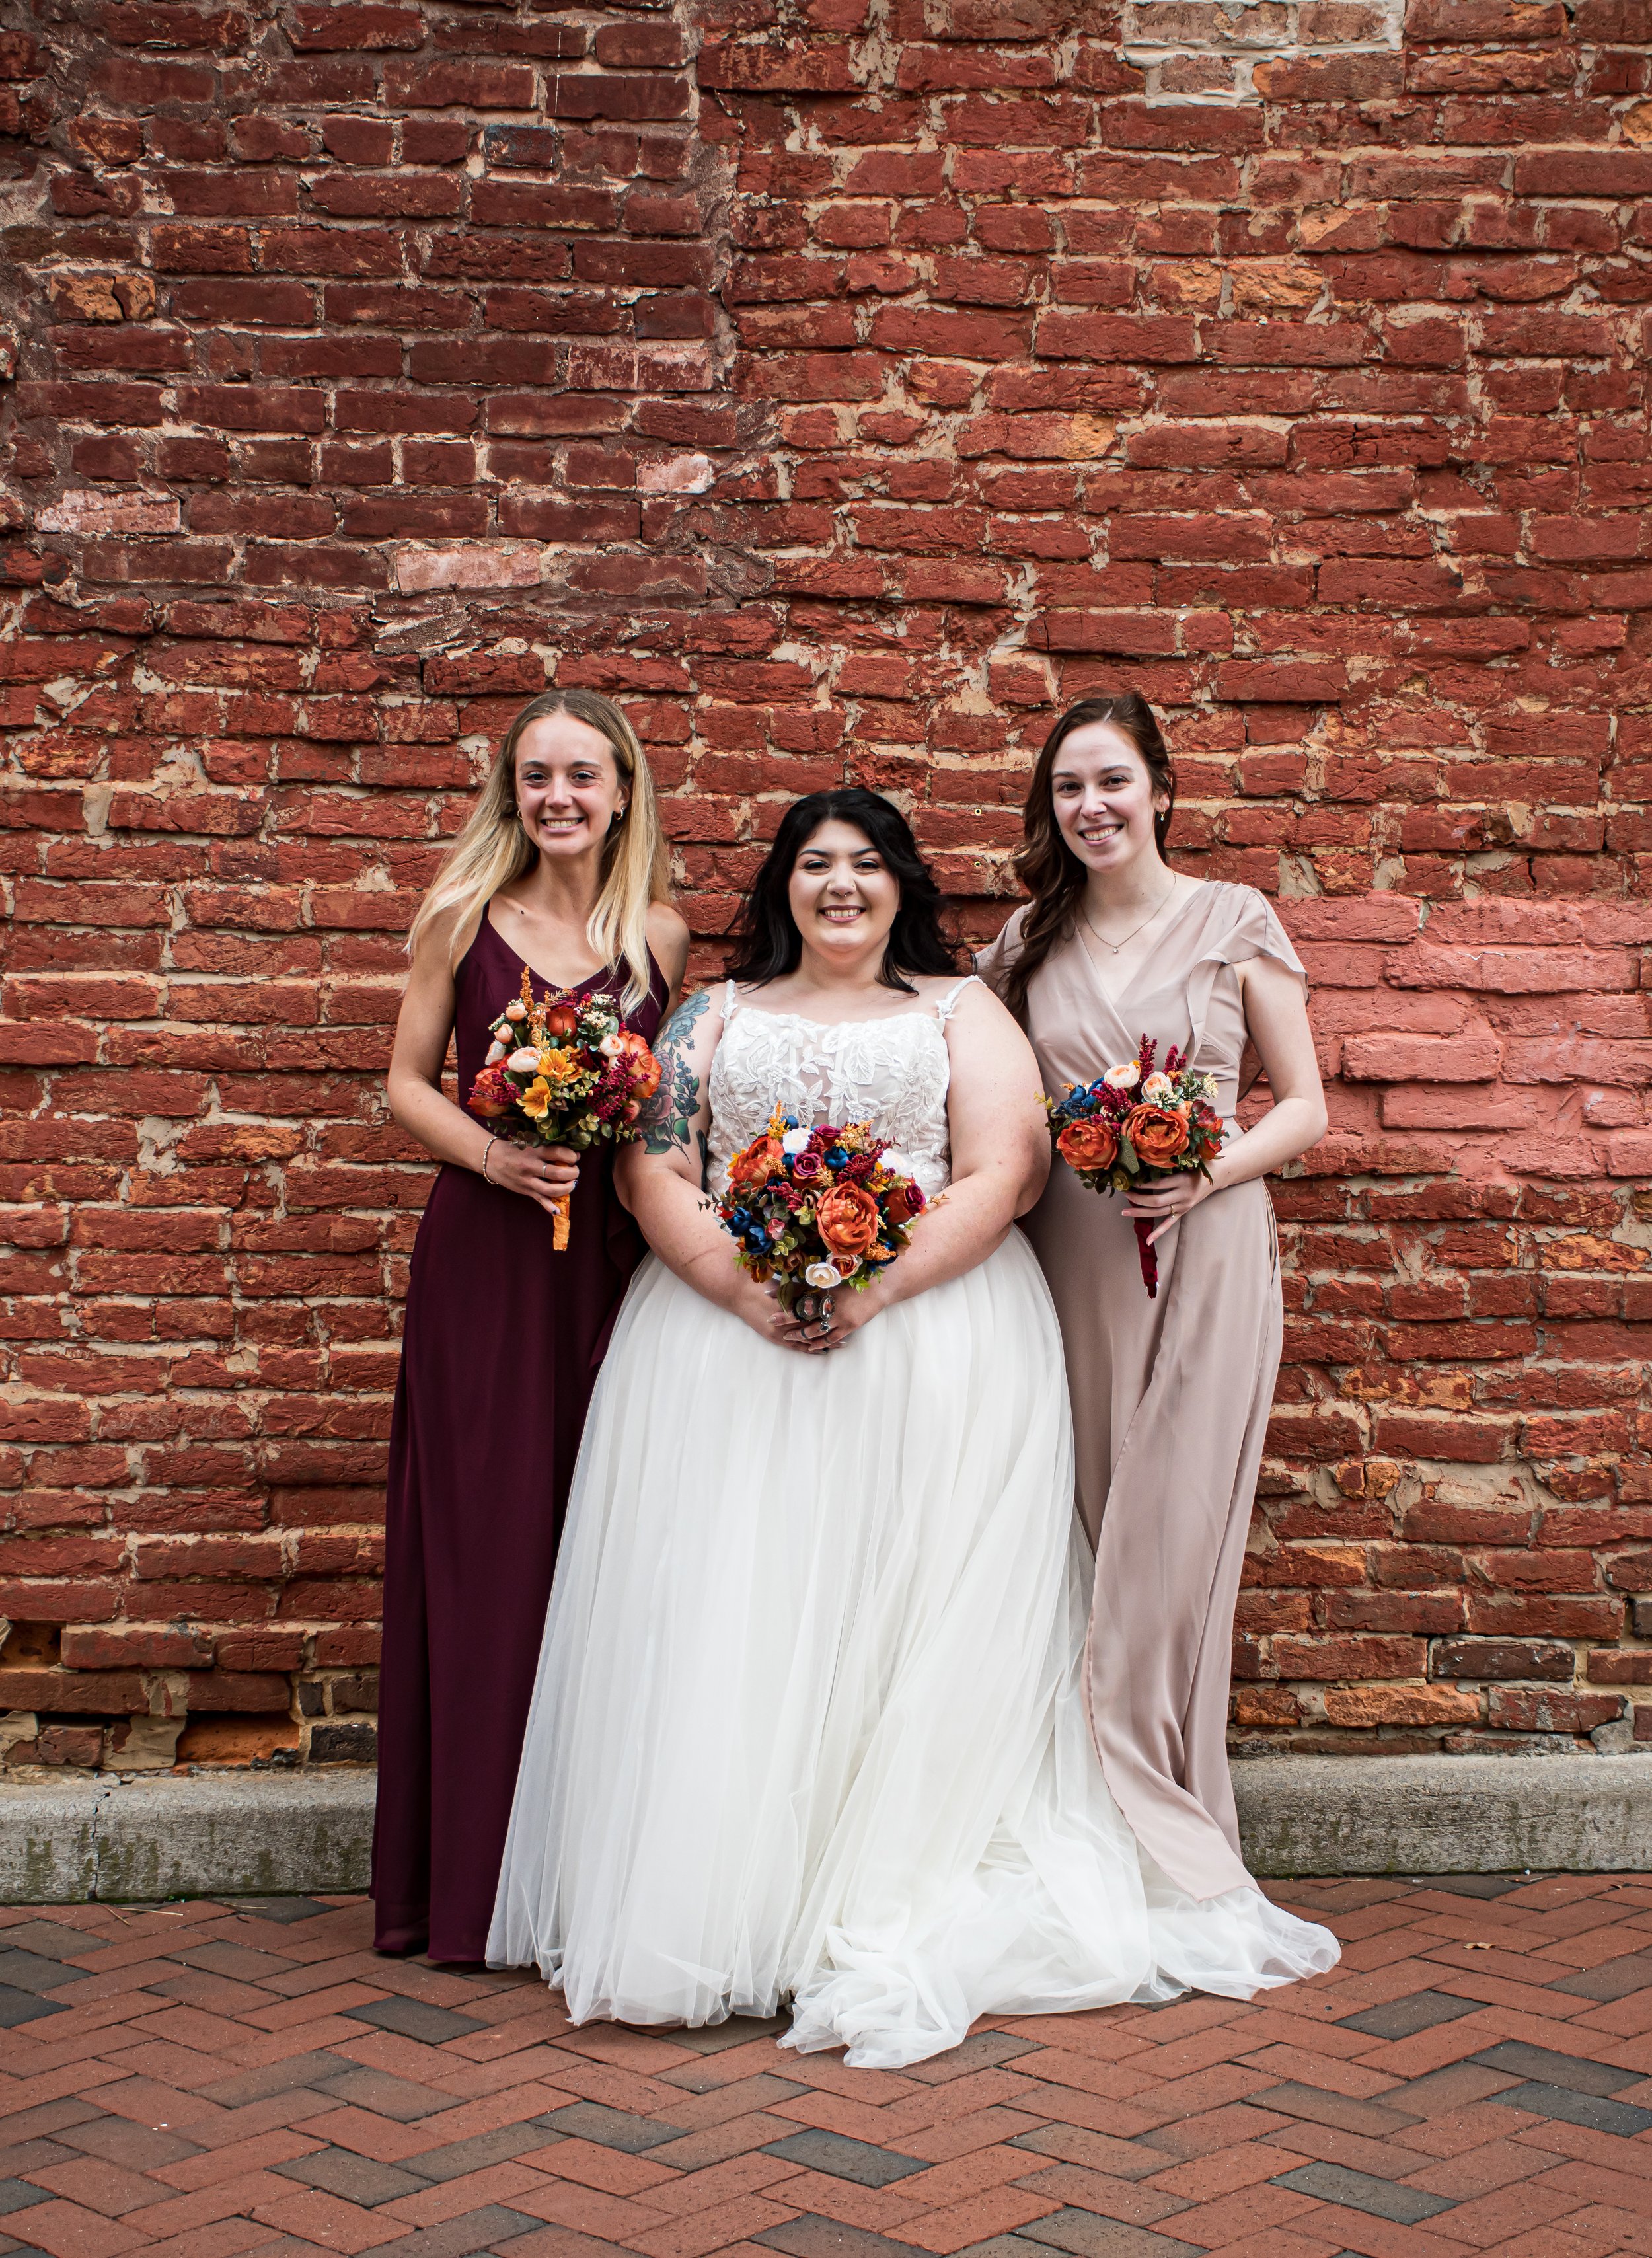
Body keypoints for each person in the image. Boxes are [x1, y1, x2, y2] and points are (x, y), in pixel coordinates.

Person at [489, 786, 1335, 2067]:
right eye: (815, 863)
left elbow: (1004, 1167)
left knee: (894, 1609)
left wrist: (867, 1280)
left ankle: (875, 1878)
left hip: (931, 1336)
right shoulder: (714, 1012)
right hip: (723, 1350)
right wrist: (742, 1282)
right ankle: (732, 1902)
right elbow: (652, 1165)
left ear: (901, 885)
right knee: (744, 1609)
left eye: (866, 864)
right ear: (781, 883)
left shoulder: (956, 1006)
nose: (840, 884)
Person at [977, 692, 1330, 1910]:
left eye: (1114, 782)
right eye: (1070, 788)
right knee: (1090, 1514)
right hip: (1075, 1247)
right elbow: (992, 1098)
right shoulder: (1027, 942)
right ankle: (1083, 1805)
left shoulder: (1235, 919)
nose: (1092, 807)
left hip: (1213, 1237)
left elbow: (1304, 1105)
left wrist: (1203, 1170)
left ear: (1162, 791)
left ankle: (1169, 1800)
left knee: (1175, 1529)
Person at [371, 687, 688, 1963]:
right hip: (491, 1260)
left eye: (584, 776)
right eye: (537, 776)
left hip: (610, 1263)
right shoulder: (459, 916)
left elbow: (669, 1112)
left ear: (623, 793)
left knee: (604, 1544)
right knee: (490, 1544)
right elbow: (402, 1082)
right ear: (512, 792)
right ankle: (467, 1888)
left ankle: (585, 1876)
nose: (559, 797)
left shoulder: (660, 932)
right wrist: (496, 1160)